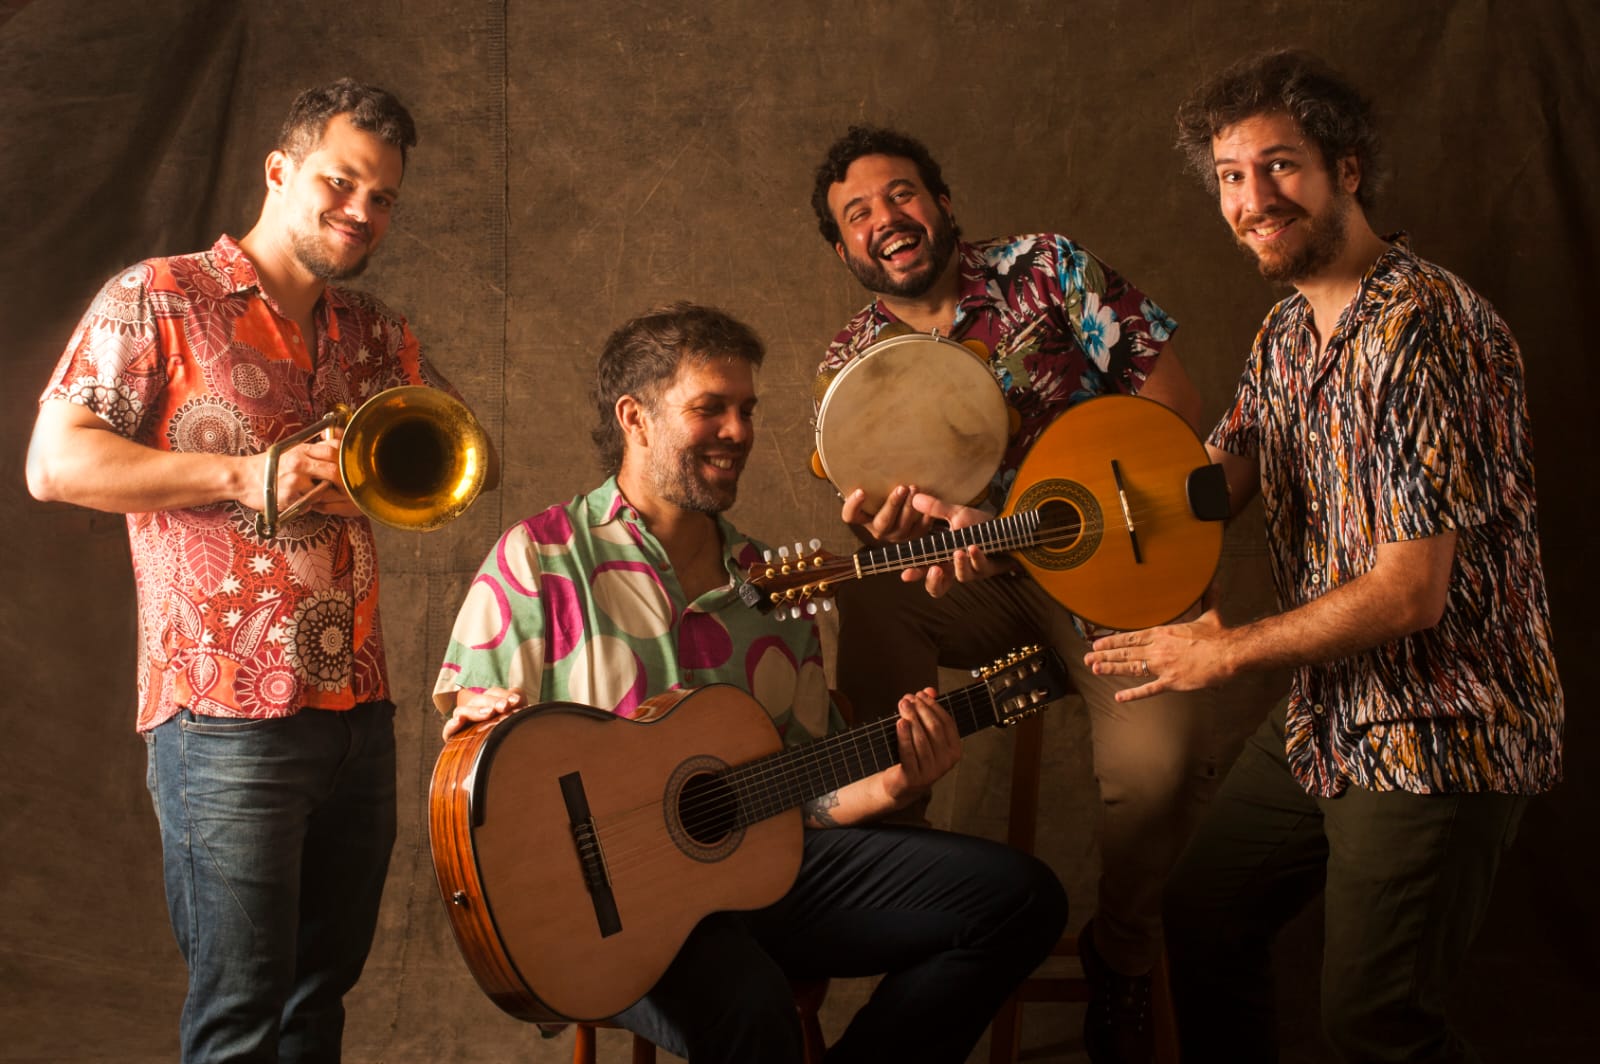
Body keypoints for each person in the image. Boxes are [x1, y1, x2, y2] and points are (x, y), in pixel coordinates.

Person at [1084, 49, 1565, 1062]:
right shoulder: (1288, 331)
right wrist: (1029, 522)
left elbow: (1408, 594)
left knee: (1374, 1028)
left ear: (1346, 169)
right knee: (1205, 912)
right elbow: (1215, 485)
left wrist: (1221, 652)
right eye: (1228, 175)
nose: (1252, 198)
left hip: (1442, 720)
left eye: (1279, 166)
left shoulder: (1421, 328)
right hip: (1333, 708)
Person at [434, 303, 1068, 1064]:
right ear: (634, 418)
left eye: (747, 410)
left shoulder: (775, 585)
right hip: (613, 914)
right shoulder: (539, 560)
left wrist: (894, 784)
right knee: (752, 1009)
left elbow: (809, 793)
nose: (739, 432)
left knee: (1020, 901)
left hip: (767, 876)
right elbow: (473, 751)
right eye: (711, 409)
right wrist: (478, 722)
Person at [26, 79, 479, 1063]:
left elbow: (446, 460)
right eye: (340, 182)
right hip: (220, 719)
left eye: (384, 196)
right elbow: (53, 464)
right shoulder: (157, 296)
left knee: (317, 1009)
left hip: (359, 714)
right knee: (239, 1019)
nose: (362, 212)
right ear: (279, 171)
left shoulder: (376, 334)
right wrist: (246, 472)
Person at [809, 125, 1220, 1063]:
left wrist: (1091, 508)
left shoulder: (1049, 266)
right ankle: (894, 868)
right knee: (871, 591)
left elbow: (1176, 407)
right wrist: (910, 537)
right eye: (859, 214)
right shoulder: (849, 370)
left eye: (902, 194)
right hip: (989, 585)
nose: (888, 220)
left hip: (1122, 575)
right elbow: (896, 540)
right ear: (843, 251)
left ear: (944, 203)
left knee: (1157, 780)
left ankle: (1122, 952)